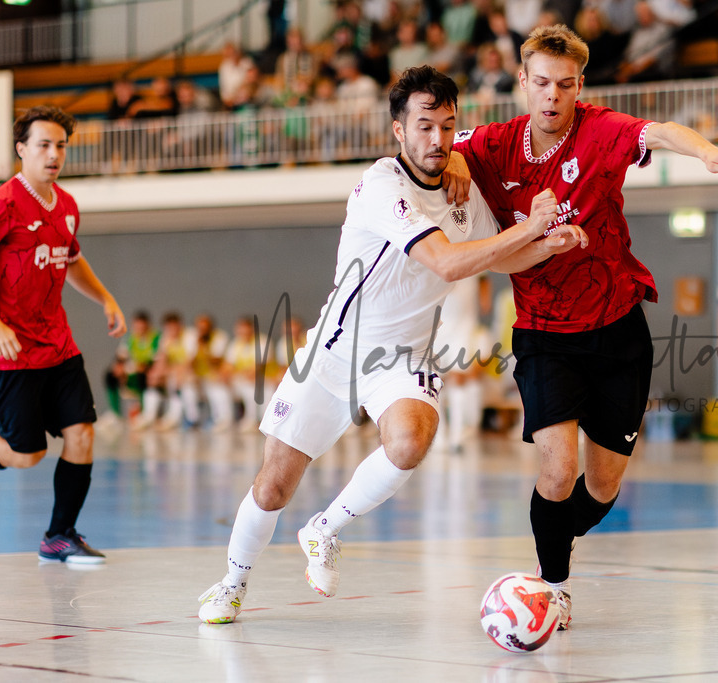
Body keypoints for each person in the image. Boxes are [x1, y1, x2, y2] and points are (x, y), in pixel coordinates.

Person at [196, 65, 587, 624]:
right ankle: (233, 583)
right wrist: (530, 228)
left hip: (402, 359)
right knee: (274, 484)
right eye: (424, 126)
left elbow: (498, 256)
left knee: (409, 441)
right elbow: (448, 262)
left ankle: (324, 529)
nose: (438, 139)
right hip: (333, 352)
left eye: (448, 127)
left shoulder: (463, 192)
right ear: (399, 130)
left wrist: (552, 244)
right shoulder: (382, 186)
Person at [447, 24, 718, 630]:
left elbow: (661, 132)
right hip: (541, 332)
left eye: (565, 84)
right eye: (541, 83)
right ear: (522, 83)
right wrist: (454, 164)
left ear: (579, 85)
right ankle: (552, 586)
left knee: (603, 485)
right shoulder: (490, 143)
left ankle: (557, 538)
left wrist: (708, 152)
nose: (552, 96)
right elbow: (435, 145)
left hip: (617, 329)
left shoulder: (601, 130)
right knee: (556, 468)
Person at [0, 106, 127, 564]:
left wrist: (106, 297)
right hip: (13, 354)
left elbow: (71, 260)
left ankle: (59, 535)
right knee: (26, 455)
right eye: (44, 145)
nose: (54, 155)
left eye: (61, 146)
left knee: (82, 434)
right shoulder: (5, 203)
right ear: (21, 150)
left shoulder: (67, 206)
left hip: (58, 345)